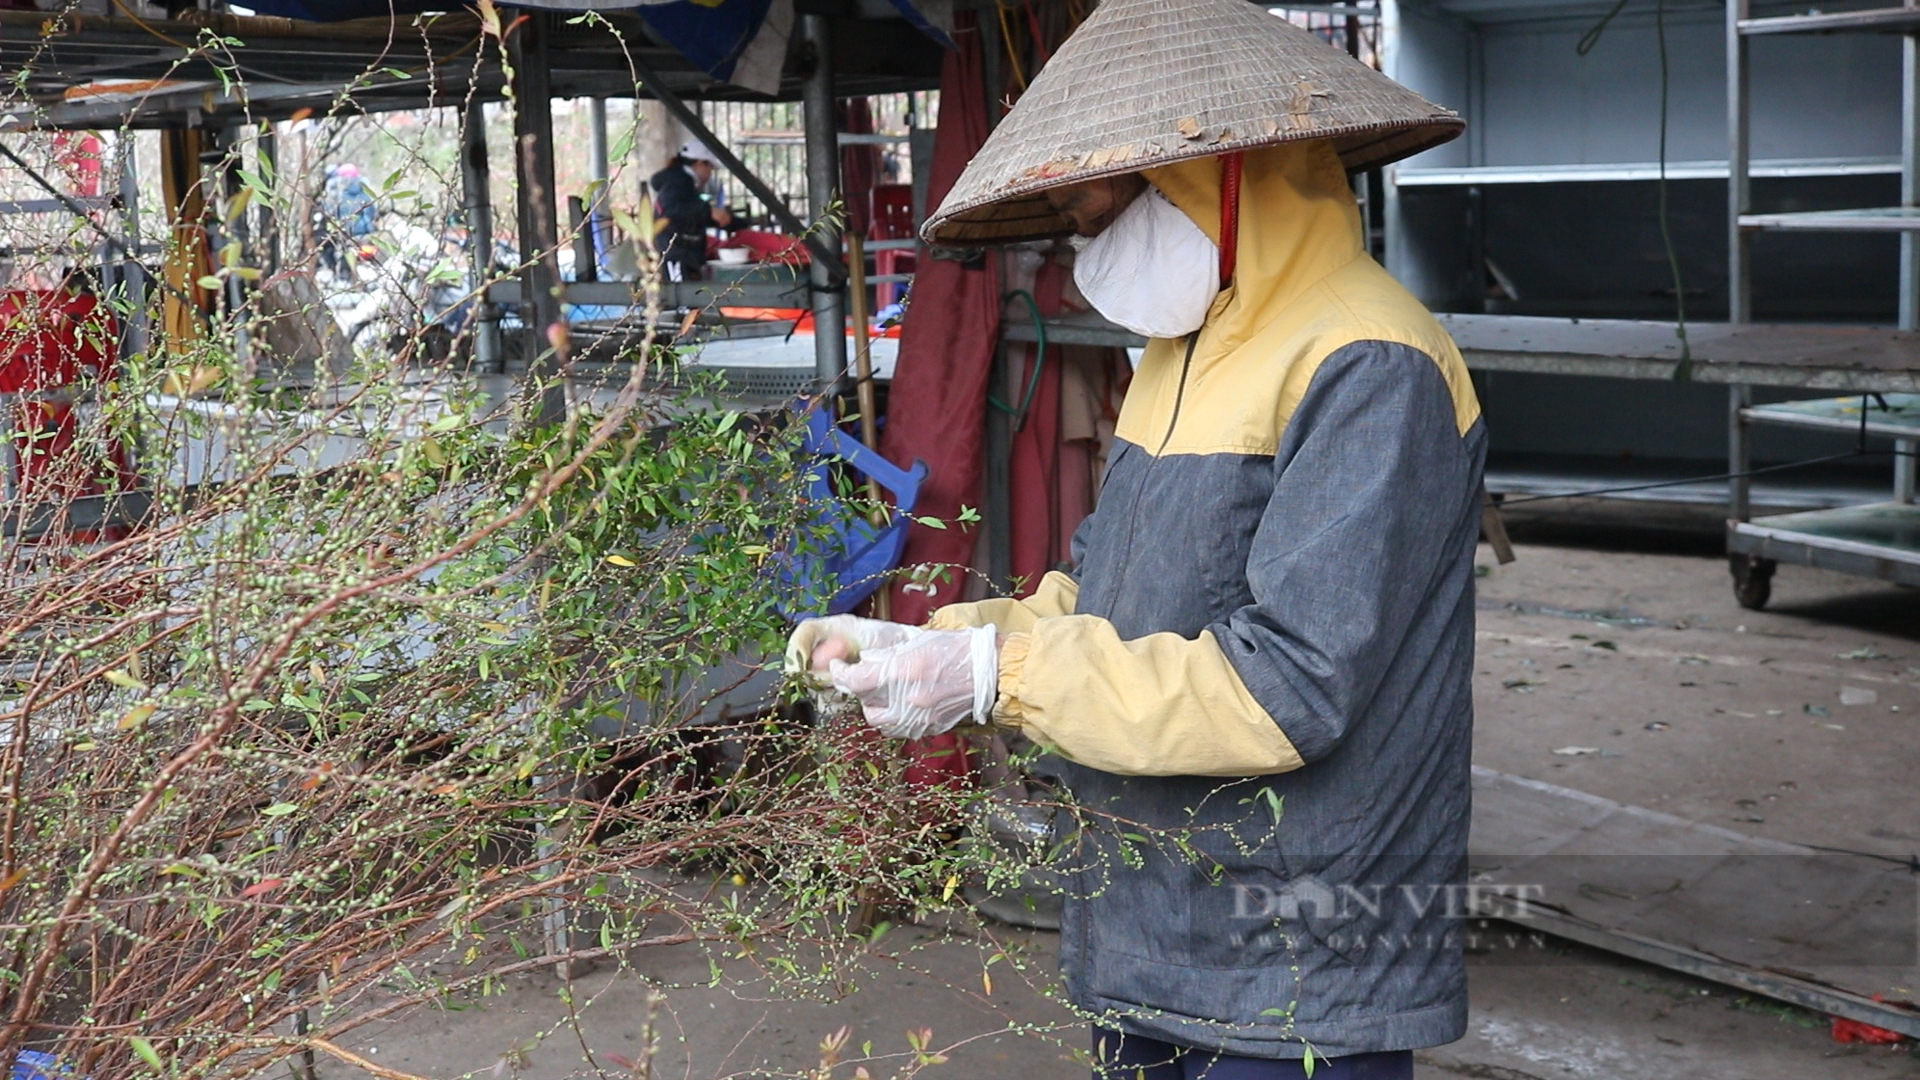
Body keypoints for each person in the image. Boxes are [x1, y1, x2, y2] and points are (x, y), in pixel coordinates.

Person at [787, 1, 1483, 1077]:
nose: (1080, 238)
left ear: (1215, 176)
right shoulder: (1179, 352)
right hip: (1150, 925)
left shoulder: (1370, 362)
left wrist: (997, 676)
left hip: (1294, 962)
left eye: (1095, 208)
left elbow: (1287, 687)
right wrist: (936, 641)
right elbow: (1102, 591)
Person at [649, 139, 736, 282]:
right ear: (700, 164)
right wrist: (709, 211)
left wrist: (730, 221)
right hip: (676, 253)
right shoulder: (678, 181)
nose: (709, 174)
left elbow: (691, 214)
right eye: (709, 168)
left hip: (686, 253)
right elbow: (671, 210)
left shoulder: (685, 182)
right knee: (681, 300)